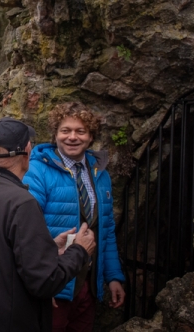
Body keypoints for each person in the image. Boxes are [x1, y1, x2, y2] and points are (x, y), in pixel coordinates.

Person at [0, 117, 96, 332]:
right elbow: (45, 282)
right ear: (27, 150)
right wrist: (80, 250)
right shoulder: (22, 203)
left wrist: (49, 247)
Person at [24, 102, 126, 331]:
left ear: (91, 137)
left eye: (80, 131)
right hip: (54, 281)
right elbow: (28, 229)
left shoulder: (101, 175)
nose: (72, 137)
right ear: (55, 134)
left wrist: (113, 277)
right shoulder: (38, 170)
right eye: (65, 130)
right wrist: (41, 281)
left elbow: (106, 230)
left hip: (87, 285)